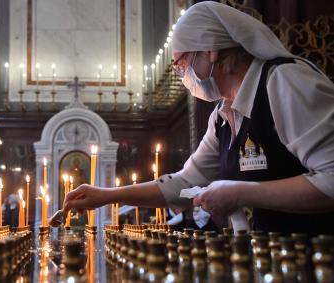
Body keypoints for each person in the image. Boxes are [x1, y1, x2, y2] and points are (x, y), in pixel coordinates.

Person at [63, 2, 334, 234]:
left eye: (181, 64)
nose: (182, 75)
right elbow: (184, 184)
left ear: (210, 51)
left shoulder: (284, 82)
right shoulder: (222, 115)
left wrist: (240, 192)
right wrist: (107, 196)